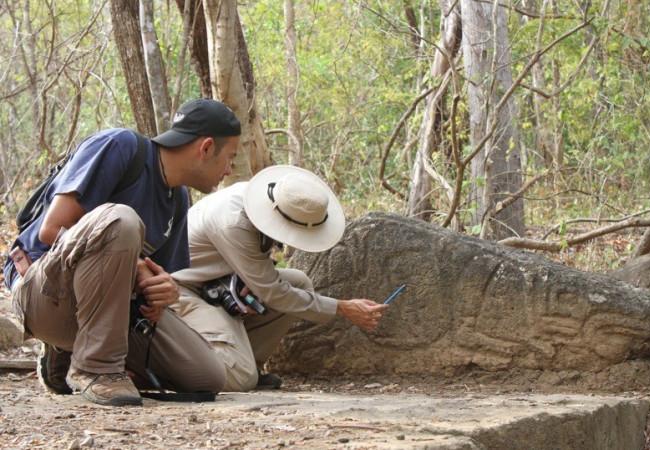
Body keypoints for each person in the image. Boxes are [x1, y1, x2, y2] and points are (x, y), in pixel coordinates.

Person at [3, 99, 241, 406]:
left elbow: (153, 280)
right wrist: (137, 267)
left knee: (206, 376)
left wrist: (164, 292)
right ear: (206, 147)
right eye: (230, 157)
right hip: (44, 294)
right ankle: (97, 370)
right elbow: (51, 229)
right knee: (121, 220)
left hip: (111, 314)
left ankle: (77, 351)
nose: (229, 169)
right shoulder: (121, 146)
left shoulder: (179, 200)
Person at [172, 165, 389, 391]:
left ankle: (249, 363)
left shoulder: (262, 203)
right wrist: (343, 308)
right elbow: (273, 293)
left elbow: (266, 282)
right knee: (240, 378)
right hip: (181, 291)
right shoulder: (234, 221)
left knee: (298, 282)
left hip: (218, 282)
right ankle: (160, 369)